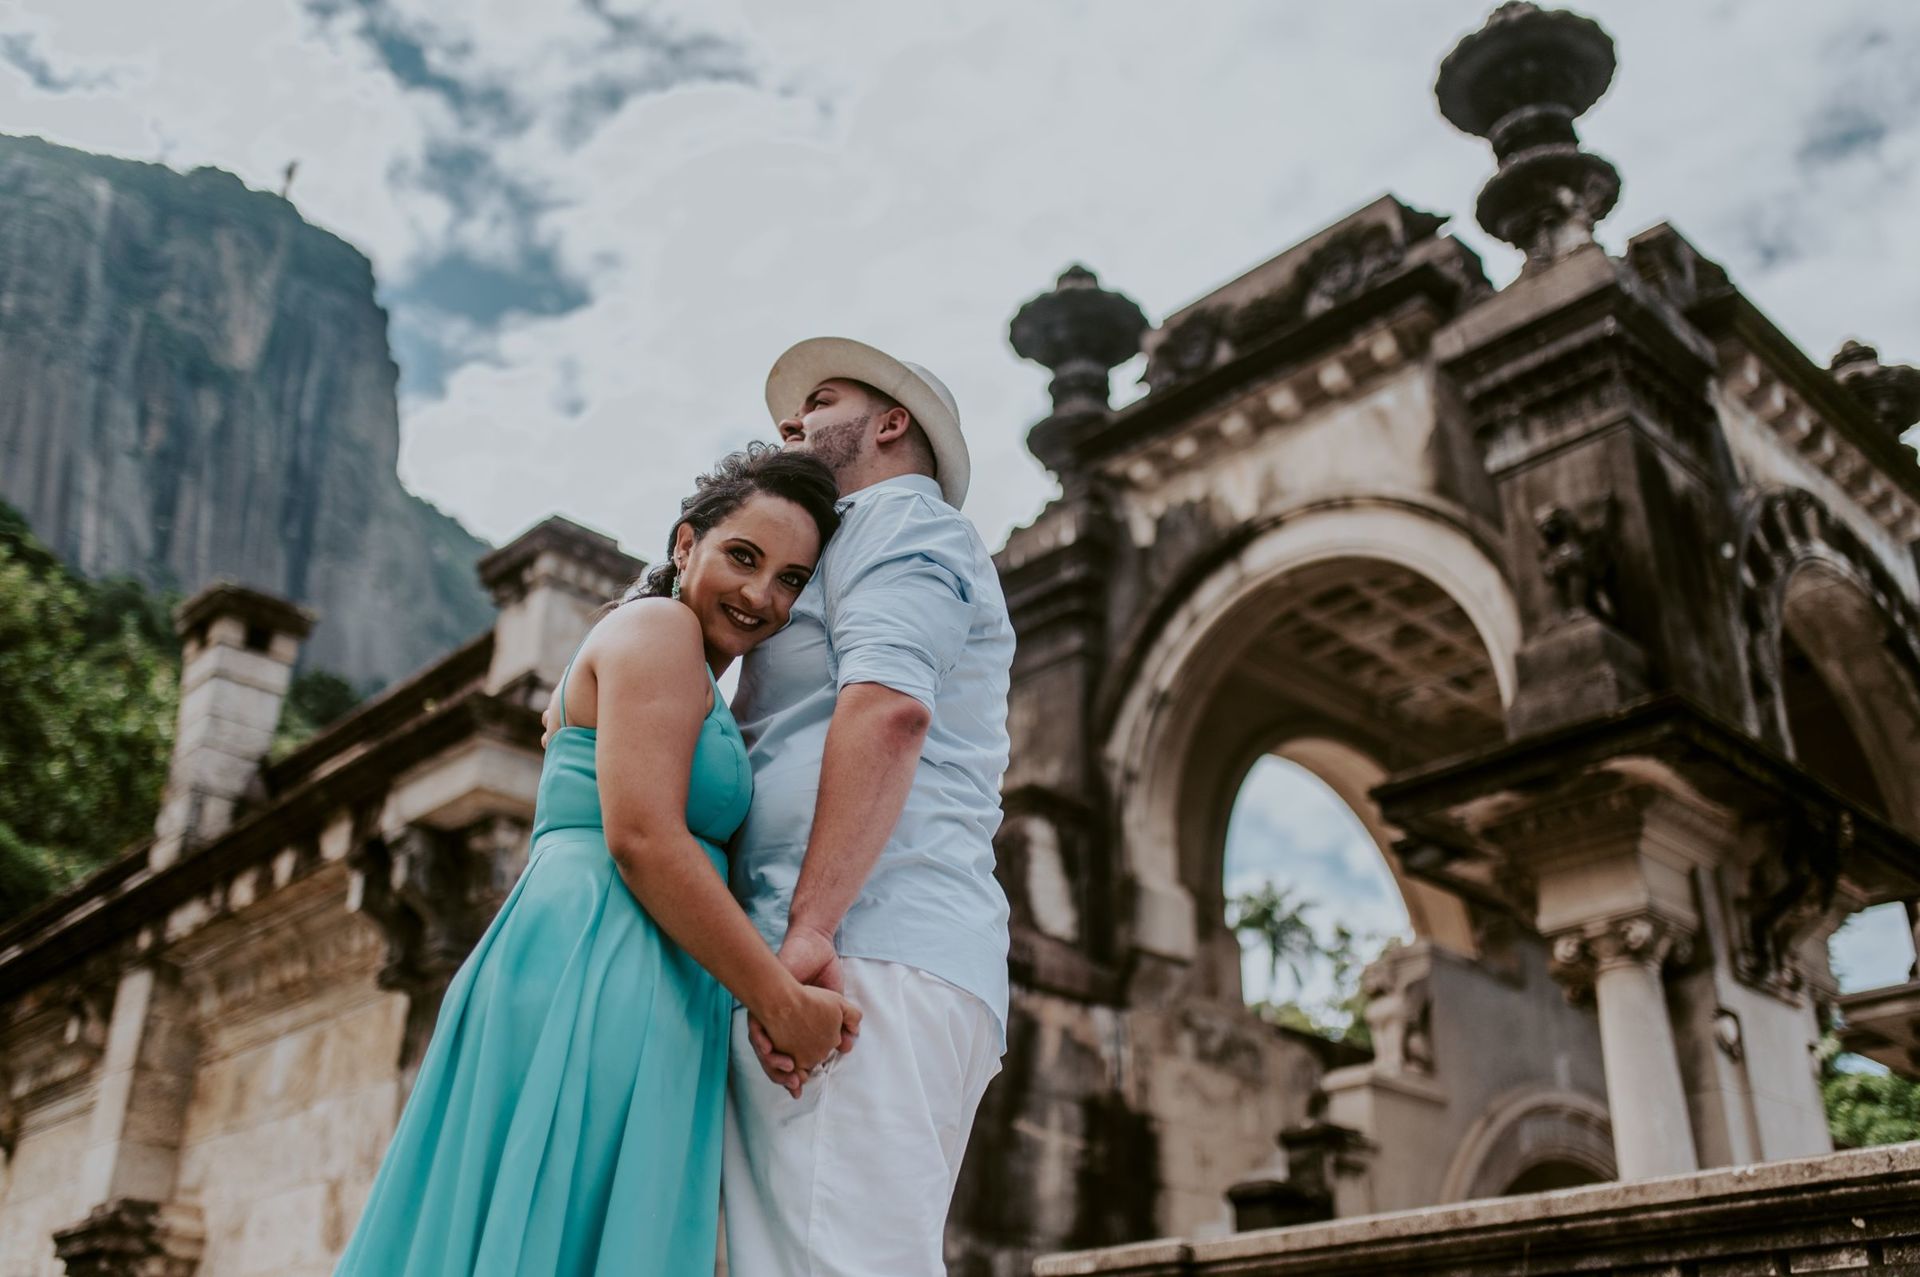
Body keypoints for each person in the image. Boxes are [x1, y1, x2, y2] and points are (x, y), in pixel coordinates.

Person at [335, 445, 860, 1277]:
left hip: (638, 960)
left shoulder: (679, 659)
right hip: (601, 953)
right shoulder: (658, 629)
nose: (763, 595)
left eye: (792, 579)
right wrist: (780, 999)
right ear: (686, 544)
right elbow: (643, 837)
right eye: (744, 556)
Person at [723, 338, 1016, 1276]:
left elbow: (890, 706)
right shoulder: (852, 543)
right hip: (854, 946)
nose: (789, 424)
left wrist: (809, 932)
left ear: (892, 422)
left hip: (859, 952)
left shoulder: (898, 519)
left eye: (819, 398)